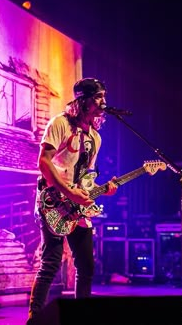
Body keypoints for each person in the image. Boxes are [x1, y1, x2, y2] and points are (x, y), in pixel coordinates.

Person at [26, 77, 118, 324]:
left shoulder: (95, 138)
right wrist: (68, 192)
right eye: (98, 96)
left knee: (86, 265)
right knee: (51, 263)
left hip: (77, 207)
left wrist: (102, 189)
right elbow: (44, 162)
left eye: (104, 96)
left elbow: (85, 179)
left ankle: (81, 318)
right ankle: (34, 319)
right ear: (83, 100)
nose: (103, 102)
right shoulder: (60, 124)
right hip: (53, 201)